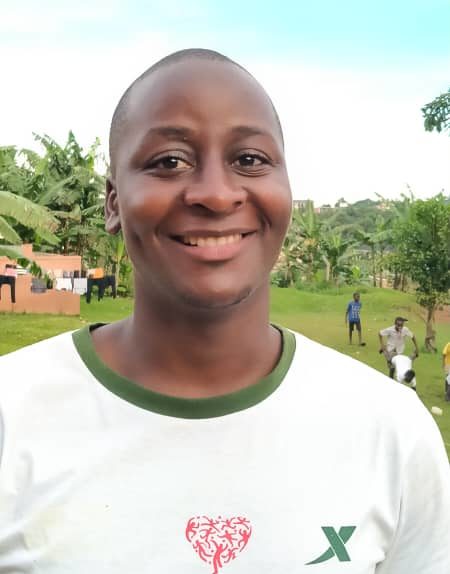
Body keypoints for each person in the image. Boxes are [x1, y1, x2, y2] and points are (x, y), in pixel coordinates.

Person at [0, 49, 448, 573]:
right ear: (113, 202)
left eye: (250, 159)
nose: (215, 195)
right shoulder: (13, 416)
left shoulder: (391, 430)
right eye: (169, 161)